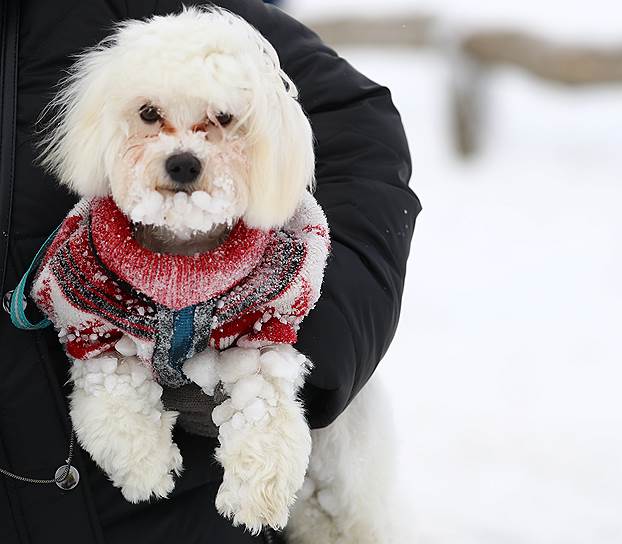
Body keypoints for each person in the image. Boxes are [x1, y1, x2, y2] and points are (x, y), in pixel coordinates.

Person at [0, 1, 420, 543]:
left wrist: (297, 356)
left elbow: (356, 126)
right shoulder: (83, 267)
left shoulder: (162, 20)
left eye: (218, 121)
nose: (182, 152)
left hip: (180, 520)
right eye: (151, 118)